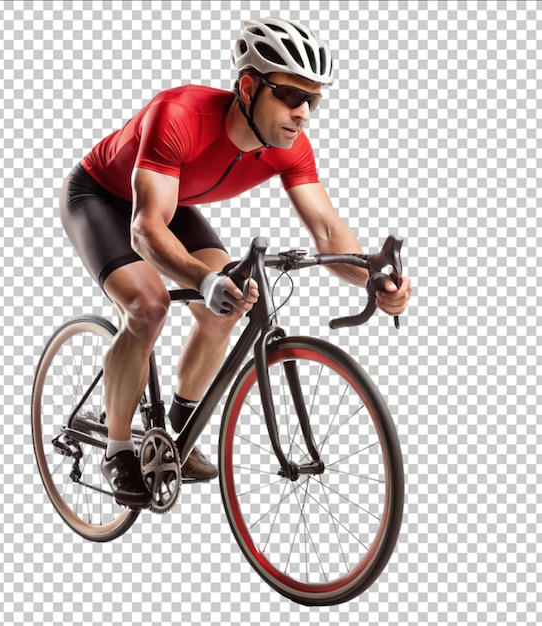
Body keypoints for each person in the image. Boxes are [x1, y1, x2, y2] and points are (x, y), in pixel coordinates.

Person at [59, 17, 412, 507]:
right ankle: (119, 449)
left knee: (231, 302)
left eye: (314, 100)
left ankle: (178, 430)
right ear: (248, 87)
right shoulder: (178, 115)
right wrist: (204, 279)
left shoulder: (290, 147)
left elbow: (329, 232)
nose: (304, 112)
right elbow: (144, 229)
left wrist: (372, 280)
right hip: (100, 197)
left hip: (171, 200)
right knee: (149, 305)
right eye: (290, 95)